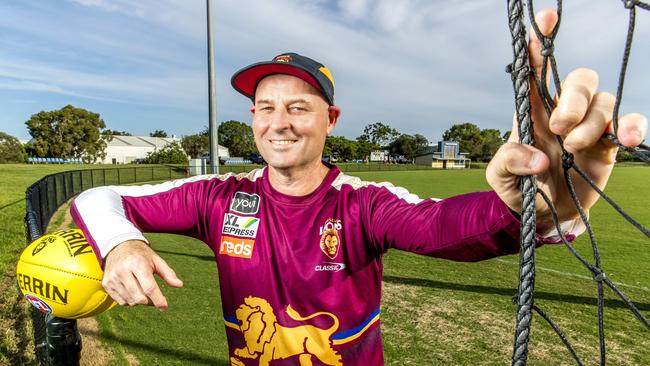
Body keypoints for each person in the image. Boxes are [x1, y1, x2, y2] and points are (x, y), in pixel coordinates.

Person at [71, 10, 647, 366]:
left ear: (331, 119)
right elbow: (96, 199)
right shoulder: (217, 196)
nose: (279, 123)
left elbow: (442, 226)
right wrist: (123, 242)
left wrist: (539, 206)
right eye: (264, 108)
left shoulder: (363, 203)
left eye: (299, 107)